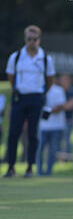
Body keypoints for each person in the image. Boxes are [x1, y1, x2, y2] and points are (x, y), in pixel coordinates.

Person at [4, 25, 55, 178]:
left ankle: (30, 167)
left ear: (39, 40)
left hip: (36, 98)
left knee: (33, 134)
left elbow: (50, 80)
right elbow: (11, 77)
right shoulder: (16, 57)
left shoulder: (45, 58)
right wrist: (18, 89)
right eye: (29, 39)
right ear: (25, 39)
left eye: (34, 39)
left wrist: (40, 93)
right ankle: (11, 167)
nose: (31, 42)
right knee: (14, 132)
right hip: (20, 97)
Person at [36, 78, 66, 175]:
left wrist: (47, 111)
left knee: (52, 151)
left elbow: (60, 106)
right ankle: (39, 172)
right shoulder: (39, 89)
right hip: (43, 127)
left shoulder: (58, 90)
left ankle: (49, 172)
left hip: (56, 127)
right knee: (39, 150)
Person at [59, 74, 73, 160]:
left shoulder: (71, 91)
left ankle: (66, 159)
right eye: (63, 80)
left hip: (68, 120)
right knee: (57, 140)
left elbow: (71, 104)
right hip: (58, 121)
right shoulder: (58, 91)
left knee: (66, 140)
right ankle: (57, 158)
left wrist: (59, 108)